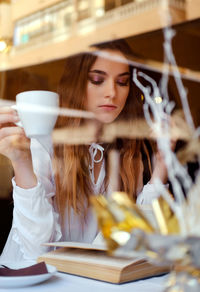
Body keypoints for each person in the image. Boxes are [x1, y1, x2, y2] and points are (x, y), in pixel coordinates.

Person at [0, 40, 168, 262]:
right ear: (77, 83)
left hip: (83, 279)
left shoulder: (128, 153)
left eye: (123, 82)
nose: (112, 92)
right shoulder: (44, 142)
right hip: (27, 279)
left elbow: (133, 238)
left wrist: (162, 166)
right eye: (98, 80)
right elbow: (37, 252)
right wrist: (21, 162)